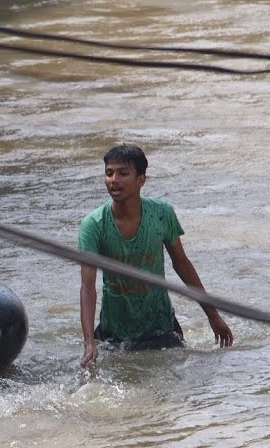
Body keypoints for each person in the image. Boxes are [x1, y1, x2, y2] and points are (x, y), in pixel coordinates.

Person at [79, 144, 234, 367]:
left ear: (141, 180)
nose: (114, 180)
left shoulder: (162, 214)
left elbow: (182, 264)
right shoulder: (94, 225)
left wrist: (213, 316)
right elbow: (87, 287)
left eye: (123, 173)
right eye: (109, 173)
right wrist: (89, 342)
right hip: (114, 333)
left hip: (162, 329)